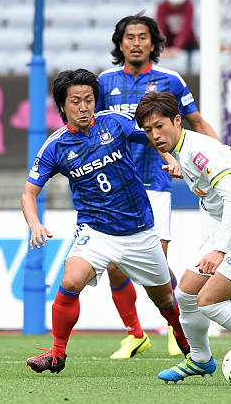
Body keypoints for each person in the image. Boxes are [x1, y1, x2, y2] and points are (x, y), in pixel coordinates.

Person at [22, 69, 189, 373]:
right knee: (71, 280)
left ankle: (182, 337)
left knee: (164, 298)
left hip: (140, 231)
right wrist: (34, 223)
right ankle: (57, 353)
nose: (84, 107)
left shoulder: (114, 122)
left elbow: (153, 137)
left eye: (89, 100)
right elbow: (28, 194)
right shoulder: (55, 146)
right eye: (76, 101)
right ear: (63, 106)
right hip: (96, 231)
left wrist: (169, 158)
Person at [135, 91, 231, 384]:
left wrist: (219, 250)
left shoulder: (198, 150)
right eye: (148, 130)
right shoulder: (186, 151)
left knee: (209, 301)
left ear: (177, 120)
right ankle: (200, 360)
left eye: (159, 126)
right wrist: (186, 172)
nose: (154, 135)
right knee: (185, 294)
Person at [96, 13, 218, 359]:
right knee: (114, 265)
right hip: (116, 185)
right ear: (120, 44)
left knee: (156, 265)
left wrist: (223, 155)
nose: (136, 43)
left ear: (154, 43)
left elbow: (196, 122)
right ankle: (135, 334)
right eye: (129, 37)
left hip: (155, 181)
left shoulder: (170, 80)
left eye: (143, 37)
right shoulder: (104, 82)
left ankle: (173, 328)